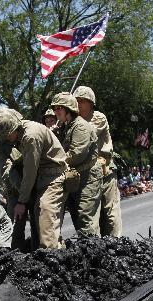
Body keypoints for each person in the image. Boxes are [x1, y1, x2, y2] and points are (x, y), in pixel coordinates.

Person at [0, 107, 68, 248]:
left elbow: (30, 171)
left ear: (15, 127)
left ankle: (51, 257)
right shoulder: (20, 133)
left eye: (8, 136)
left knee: (45, 220)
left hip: (52, 177)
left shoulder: (30, 136)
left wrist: (21, 201)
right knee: (36, 222)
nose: (8, 140)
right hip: (40, 178)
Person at [73, 86, 122, 237]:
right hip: (87, 175)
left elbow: (85, 135)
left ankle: (117, 244)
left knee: (110, 214)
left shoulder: (98, 117)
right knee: (89, 215)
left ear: (91, 103)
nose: (79, 104)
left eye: (83, 101)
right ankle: (96, 248)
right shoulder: (74, 121)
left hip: (105, 171)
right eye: (76, 100)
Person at [51, 92, 102, 236]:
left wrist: (52, 163)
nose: (56, 111)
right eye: (55, 109)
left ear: (69, 109)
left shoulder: (80, 126)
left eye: (59, 108)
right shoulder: (68, 126)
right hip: (75, 178)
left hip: (88, 178)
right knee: (78, 219)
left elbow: (75, 155)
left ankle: (94, 252)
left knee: (85, 220)